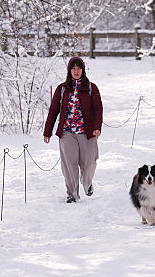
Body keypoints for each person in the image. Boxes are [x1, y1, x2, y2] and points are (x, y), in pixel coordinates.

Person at [43, 56, 102, 203]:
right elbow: (53, 110)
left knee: (89, 163)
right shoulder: (62, 89)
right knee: (69, 164)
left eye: (78, 68)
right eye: (73, 68)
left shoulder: (91, 88)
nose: (76, 71)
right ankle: (72, 193)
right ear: (69, 71)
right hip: (67, 132)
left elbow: (98, 109)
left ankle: (87, 182)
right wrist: (47, 131)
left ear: (83, 70)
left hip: (87, 132)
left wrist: (97, 127)